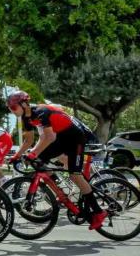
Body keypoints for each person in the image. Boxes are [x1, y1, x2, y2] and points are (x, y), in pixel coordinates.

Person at [7, 91, 107, 230]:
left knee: (75, 175)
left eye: (13, 107)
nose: (11, 111)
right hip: (62, 139)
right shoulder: (26, 118)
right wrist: (17, 156)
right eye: (9, 108)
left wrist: (33, 153)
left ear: (24, 104)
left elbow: (49, 137)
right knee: (38, 161)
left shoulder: (41, 112)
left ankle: (98, 212)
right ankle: (60, 191)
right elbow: (29, 140)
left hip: (76, 139)